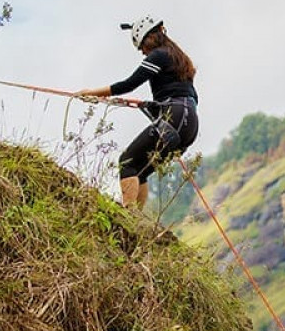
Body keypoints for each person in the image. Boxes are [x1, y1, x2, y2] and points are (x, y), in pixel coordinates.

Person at [77, 15, 199, 209]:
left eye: (142, 47)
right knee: (139, 170)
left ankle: (127, 218)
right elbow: (187, 96)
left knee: (127, 162)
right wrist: (157, 107)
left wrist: (91, 93)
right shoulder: (178, 58)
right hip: (189, 125)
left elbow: (129, 84)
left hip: (174, 117)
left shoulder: (158, 55)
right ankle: (136, 222)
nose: (143, 53)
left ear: (148, 38)